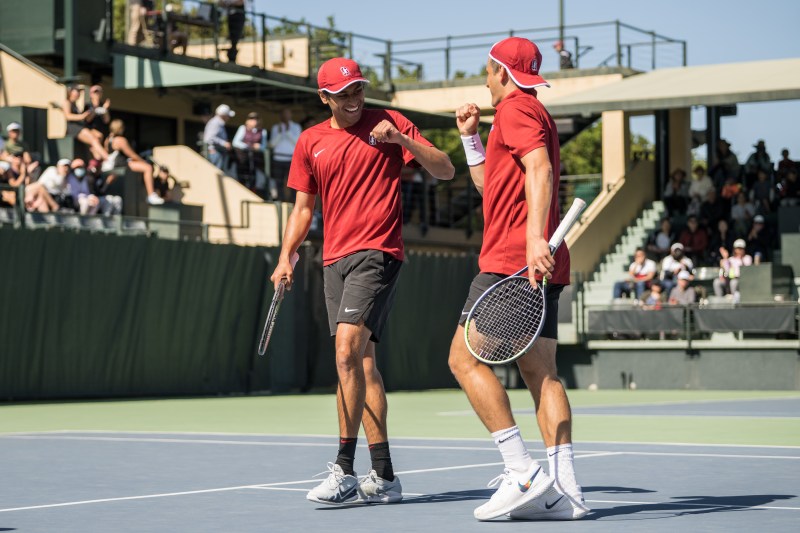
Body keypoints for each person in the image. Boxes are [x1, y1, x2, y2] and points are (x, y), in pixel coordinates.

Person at [269, 57, 453, 506]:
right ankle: (385, 476)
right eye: (344, 94)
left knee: (346, 352)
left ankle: (344, 470)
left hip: (378, 253)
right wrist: (285, 257)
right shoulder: (310, 141)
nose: (353, 101)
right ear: (324, 97)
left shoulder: (389, 123)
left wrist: (403, 137)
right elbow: (303, 209)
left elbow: (445, 169)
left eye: (358, 91)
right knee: (362, 365)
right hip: (334, 260)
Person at [450, 37, 589, 522]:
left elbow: (541, 168)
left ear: (502, 73)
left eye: (488, 72)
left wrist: (533, 240)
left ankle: (523, 471)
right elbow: (492, 187)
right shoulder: (529, 113)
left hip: (514, 258)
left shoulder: (513, 109)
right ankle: (566, 491)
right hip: (541, 258)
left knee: (462, 361)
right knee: (541, 372)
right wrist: (470, 137)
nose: (485, 81)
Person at [104, 119, 165, 205]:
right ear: (120, 128)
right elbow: (132, 155)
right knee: (148, 168)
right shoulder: (121, 140)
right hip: (121, 165)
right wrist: (143, 161)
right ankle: (151, 195)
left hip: (112, 166)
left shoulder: (107, 140)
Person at [61, 85, 109, 161]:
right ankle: (108, 158)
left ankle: (98, 159)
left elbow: (106, 120)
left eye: (79, 92)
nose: (78, 93)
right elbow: (68, 116)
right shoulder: (67, 102)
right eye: (77, 91)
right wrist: (83, 116)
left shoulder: (75, 104)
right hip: (73, 128)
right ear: (70, 92)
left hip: (79, 127)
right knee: (94, 140)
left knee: (98, 136)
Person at [232, 111, 269, 196]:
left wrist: (258, 147)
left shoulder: (262, 131)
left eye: (256, 119)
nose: (254, 121)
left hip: (255, 160)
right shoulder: (242, 128)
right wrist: (248, 146)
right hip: (242, 159)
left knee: (253, 179)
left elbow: (264, 147)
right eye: (252, 119)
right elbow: (235, 142)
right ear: (248, 121)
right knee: (241, 178)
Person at [269, 107, 302, 202]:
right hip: (278, 158)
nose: (286, 116)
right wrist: (279, 133)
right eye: (283, 114)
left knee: (292, 182)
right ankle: (280, 199)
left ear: (291, 115)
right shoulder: (276, 127)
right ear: (280, 116)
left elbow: (297, 143)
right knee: (278, 181)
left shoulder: (296, 127)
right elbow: (272, 144)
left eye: (287, 114)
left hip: (291, 159)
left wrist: (287, 131)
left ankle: (292, 200)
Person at [203, 104, 235, 170]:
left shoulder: (219, 123)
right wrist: (224, 143)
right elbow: (210, 138)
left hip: (218, 152)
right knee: (215, 173)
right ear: (223, 115)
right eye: (228, 115)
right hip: (214, 152)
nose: (229, 118)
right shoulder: (215, 123)